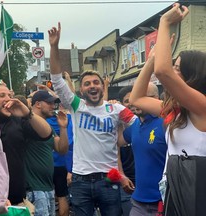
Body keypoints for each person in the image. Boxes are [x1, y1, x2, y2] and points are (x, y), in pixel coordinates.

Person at [48, 22, 137, 216]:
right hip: (80, 180)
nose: (92, 86)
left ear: (102, 87)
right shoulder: (77, 106)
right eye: (87, 83)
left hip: (109, 180)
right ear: (82, 90)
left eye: (96, 82)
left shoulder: (116, 108)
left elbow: (138, 124)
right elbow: (56, 79)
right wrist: (54, 46)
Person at [129, 4, 206, 215]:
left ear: (193, 75)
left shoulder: (202, 106)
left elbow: (162, 72)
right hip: (176, 189)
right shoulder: (177, 111)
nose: (173, 70)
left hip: (196, 191)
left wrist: (164, 23)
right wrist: (151, 60)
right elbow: (137, 98)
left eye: (178, 68)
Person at [0, 84, 52, 208]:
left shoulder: (17, 121)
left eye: (10, 95)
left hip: (17, 200)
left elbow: (46, 133)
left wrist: (27, 113)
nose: (8, 99)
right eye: (1, 95)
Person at [118, 83, 167, 216]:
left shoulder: (167, 123)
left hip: (163, 202)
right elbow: (116, 142)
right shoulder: (135, 125)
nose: (137, 102)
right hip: (138, 202)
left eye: (143, 97)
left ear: (156, 99)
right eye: (136, 97)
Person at [25, 90, 69, 216]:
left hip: (48, 188)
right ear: (38, 104)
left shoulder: (46, 127)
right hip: (34, 189)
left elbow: (62, 149)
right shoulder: (28, 124)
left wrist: (63, 127)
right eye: (49, 103)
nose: (53, 106)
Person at [117, 86, 136, 216]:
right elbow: (115, 151)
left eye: (133, 99)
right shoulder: (117, 124)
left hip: (143, 181)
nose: (131, 103)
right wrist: (122, 175)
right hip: (125, 182)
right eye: (126, 101)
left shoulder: (144, 122)